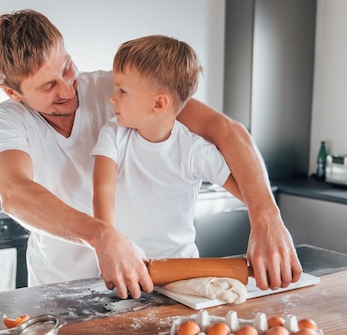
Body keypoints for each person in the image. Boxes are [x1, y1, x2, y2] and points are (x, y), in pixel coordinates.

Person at [0, 9, 302, 299]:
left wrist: (267, 219)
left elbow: (226, 130)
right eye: (48, 86)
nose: (67, 89)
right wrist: (101, 236)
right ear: (13, 93)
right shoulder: (7, 119)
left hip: (141, 285)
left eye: (67, 67)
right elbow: (14, 192)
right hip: (59, 290)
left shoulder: (118, 89)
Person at [91, 35, 241, 260]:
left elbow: (246, 190)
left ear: (158, 103)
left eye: (122, 91)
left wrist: (264, 226)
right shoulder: (113, 134)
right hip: (129, 263)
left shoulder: (193, 150)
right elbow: (102, 191)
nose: (112, 98)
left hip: (181, 266)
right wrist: (109, 247)